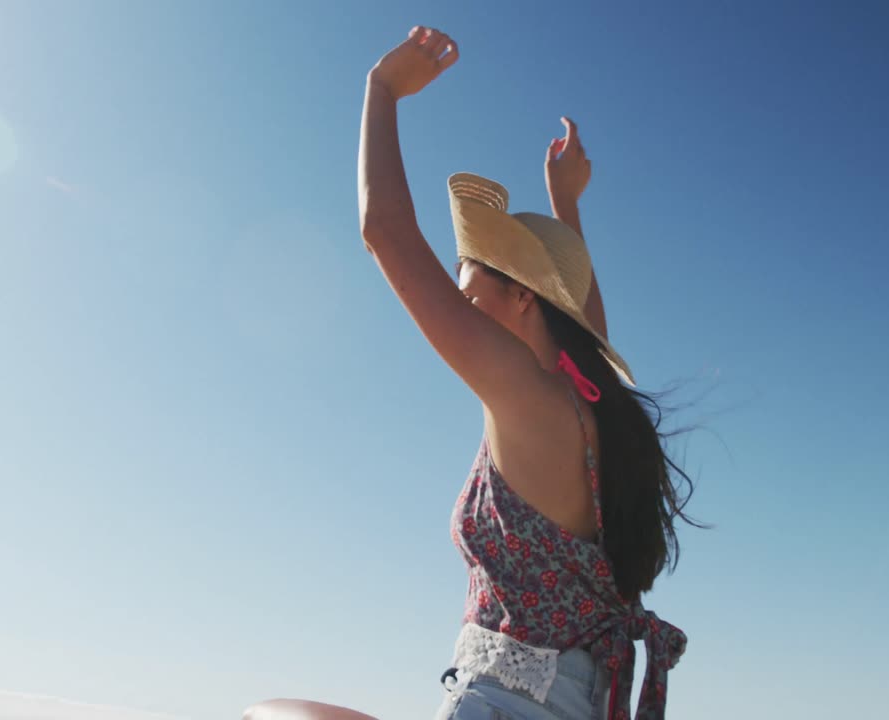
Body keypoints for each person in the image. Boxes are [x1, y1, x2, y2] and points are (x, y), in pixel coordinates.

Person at [246, 26, 699, 720]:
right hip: (569, 703)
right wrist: (566, 204)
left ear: (522, 298)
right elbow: (584, 327)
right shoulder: (590, 409)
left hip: (510, 705)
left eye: (469, 291)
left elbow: (385, 232)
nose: (459, 308)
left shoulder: (525, 393)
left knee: (271, 715)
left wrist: (382, 89)